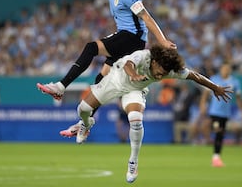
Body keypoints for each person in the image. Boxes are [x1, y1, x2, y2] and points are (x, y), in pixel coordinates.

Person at [59, 45, 232, 183]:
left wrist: (215, 87)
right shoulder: (144, 55)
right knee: (82, 109)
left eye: (164, 74)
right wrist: (134, 75)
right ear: (155, 61)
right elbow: (128, 65)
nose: (159, 76)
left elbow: (194, 76)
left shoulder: (169, 69)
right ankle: (86, 124)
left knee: (135, 120)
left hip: (135, 90)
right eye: (159, 71)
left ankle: (133, 162)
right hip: (115, 80)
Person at [37, 0, 176, 100]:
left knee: (91, 48)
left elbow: (146, 17)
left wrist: (163, 40)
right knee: (100, 79)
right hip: (125, 36)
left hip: (133, 38)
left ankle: (60, 86)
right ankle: (85, 122)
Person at [199, 62, 242, 167]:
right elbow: (205, 93)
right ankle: (215, 157)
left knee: (220, 134)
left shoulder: (235, 82)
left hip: (225, 113)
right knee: (218, 130)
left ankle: (216, 156)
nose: (226, 71)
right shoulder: (214, 79)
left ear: (230, 70)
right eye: (224, 68)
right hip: (214, 111)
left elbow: (238, 98)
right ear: (221, 69)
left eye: (228, 69)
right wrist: (202, 104)